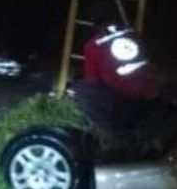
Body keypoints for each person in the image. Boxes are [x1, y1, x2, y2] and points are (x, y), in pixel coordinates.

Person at [71, 8, 166, 140]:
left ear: (94, 25)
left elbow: (92, 80)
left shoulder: (92, 45)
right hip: (153, 94)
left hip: (126, 100)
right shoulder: (133, 33)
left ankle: (113, 137)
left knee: (81, 90)